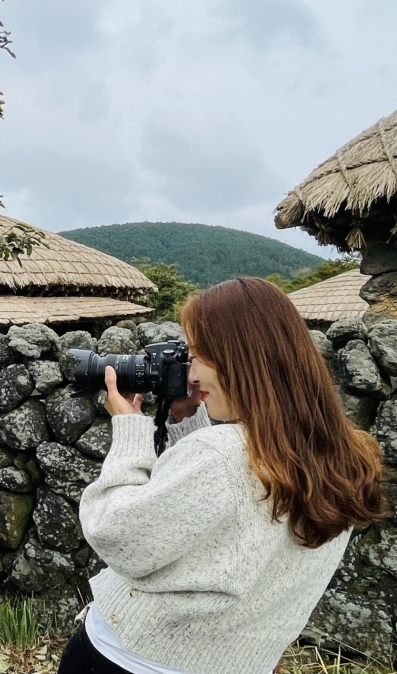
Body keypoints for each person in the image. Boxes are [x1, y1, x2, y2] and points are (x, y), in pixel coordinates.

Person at [60, 277, 385, 674]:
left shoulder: (221, 453)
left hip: (128, 660)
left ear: (239, 359)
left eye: (197, 356)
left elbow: (116, 534)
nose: (190, 374)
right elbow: (224, 519)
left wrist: (129, 432)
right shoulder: (342, 454)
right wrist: (185, 417)